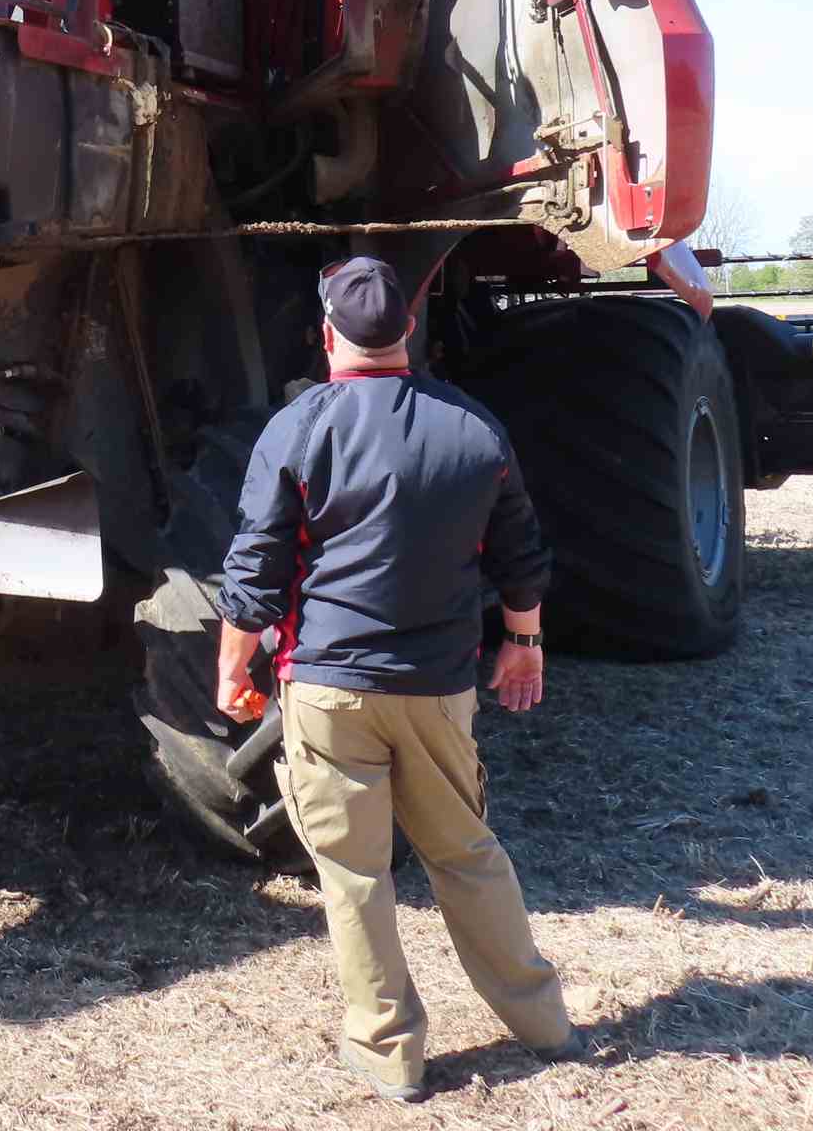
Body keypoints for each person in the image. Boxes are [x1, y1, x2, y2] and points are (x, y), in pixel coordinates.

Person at [215, 257, 585, 1106]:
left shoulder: (297, 429)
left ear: (326, 334)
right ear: (408, 333)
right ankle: (543, 1025)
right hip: (438, 688)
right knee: (467, 853)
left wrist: (235, 668)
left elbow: (256, 571)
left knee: (354, 876)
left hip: (329, 689)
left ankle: (391, 1055)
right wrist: (522, 640)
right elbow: (521, 552)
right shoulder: (475, 429)